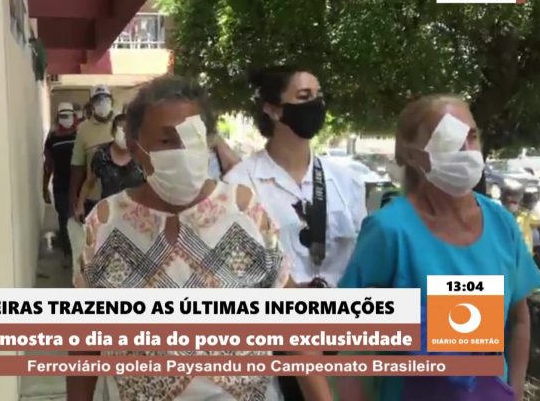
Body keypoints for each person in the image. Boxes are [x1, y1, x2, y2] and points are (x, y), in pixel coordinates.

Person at [70, 75, 331, 401]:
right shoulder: (106, 223)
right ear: (136, 149)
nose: (183, 151)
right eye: (167, 140)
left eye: (192, 137)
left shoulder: (244, 210)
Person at [338, 95, 540, 401]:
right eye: (450, 139)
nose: (466, 150)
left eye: (471, 136)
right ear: (413, 155)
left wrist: (512, 391)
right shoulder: (389, 231)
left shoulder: (502, 223)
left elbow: (518, 319)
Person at [225, 65, 367, 288]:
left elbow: (364, 257)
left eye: (319, 96)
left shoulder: (347, 181)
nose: (316, 104)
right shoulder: (239, 184)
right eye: (304, 96)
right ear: (272, 109)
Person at [74, 113, 145, 220]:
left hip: (137, 216)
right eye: (121, 130)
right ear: (113, 132)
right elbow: (89, 182)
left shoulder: (142, 154)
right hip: (110, 216)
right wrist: (80, 205)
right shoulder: (101, 155)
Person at [70, 85, 115, 219]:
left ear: (112, 101)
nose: (102, 103)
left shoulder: (121, 124)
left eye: (105, 99)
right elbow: (77, 165)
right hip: (93, 198)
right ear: (91, 104)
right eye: (97, 100)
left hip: (119, 198)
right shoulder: (83, 129)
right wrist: (74, 196)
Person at [43, 102, 77, 266]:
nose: (66, 119)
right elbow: (48, 163)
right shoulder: (53, 138)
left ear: (74, 116)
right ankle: (67, 253)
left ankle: (82, 253)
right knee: (64, 218)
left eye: (68, 115)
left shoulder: (80, 134)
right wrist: (44, 187)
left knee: (81, 219)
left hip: (79, 183)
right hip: (61, 184)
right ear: (58, 117)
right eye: (63, 116)